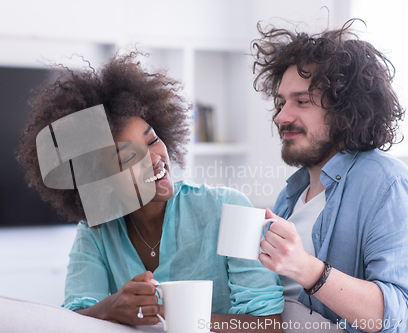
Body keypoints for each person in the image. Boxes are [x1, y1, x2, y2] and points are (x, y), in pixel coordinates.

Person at [17, 52, 284, 332]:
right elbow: (73, 320)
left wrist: (182, 319)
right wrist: (111, 307)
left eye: (153, 140)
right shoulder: (95, 232)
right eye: (130, 158)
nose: (155, 159)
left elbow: (268, 324)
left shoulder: (229, 208)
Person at [252, 19, 408, 332]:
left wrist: (307, 269)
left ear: (344, 109)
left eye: (302, 101)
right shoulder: (290, 195)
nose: (282, 116)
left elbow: (395, 316)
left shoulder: (385, 181)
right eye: (280, 103)